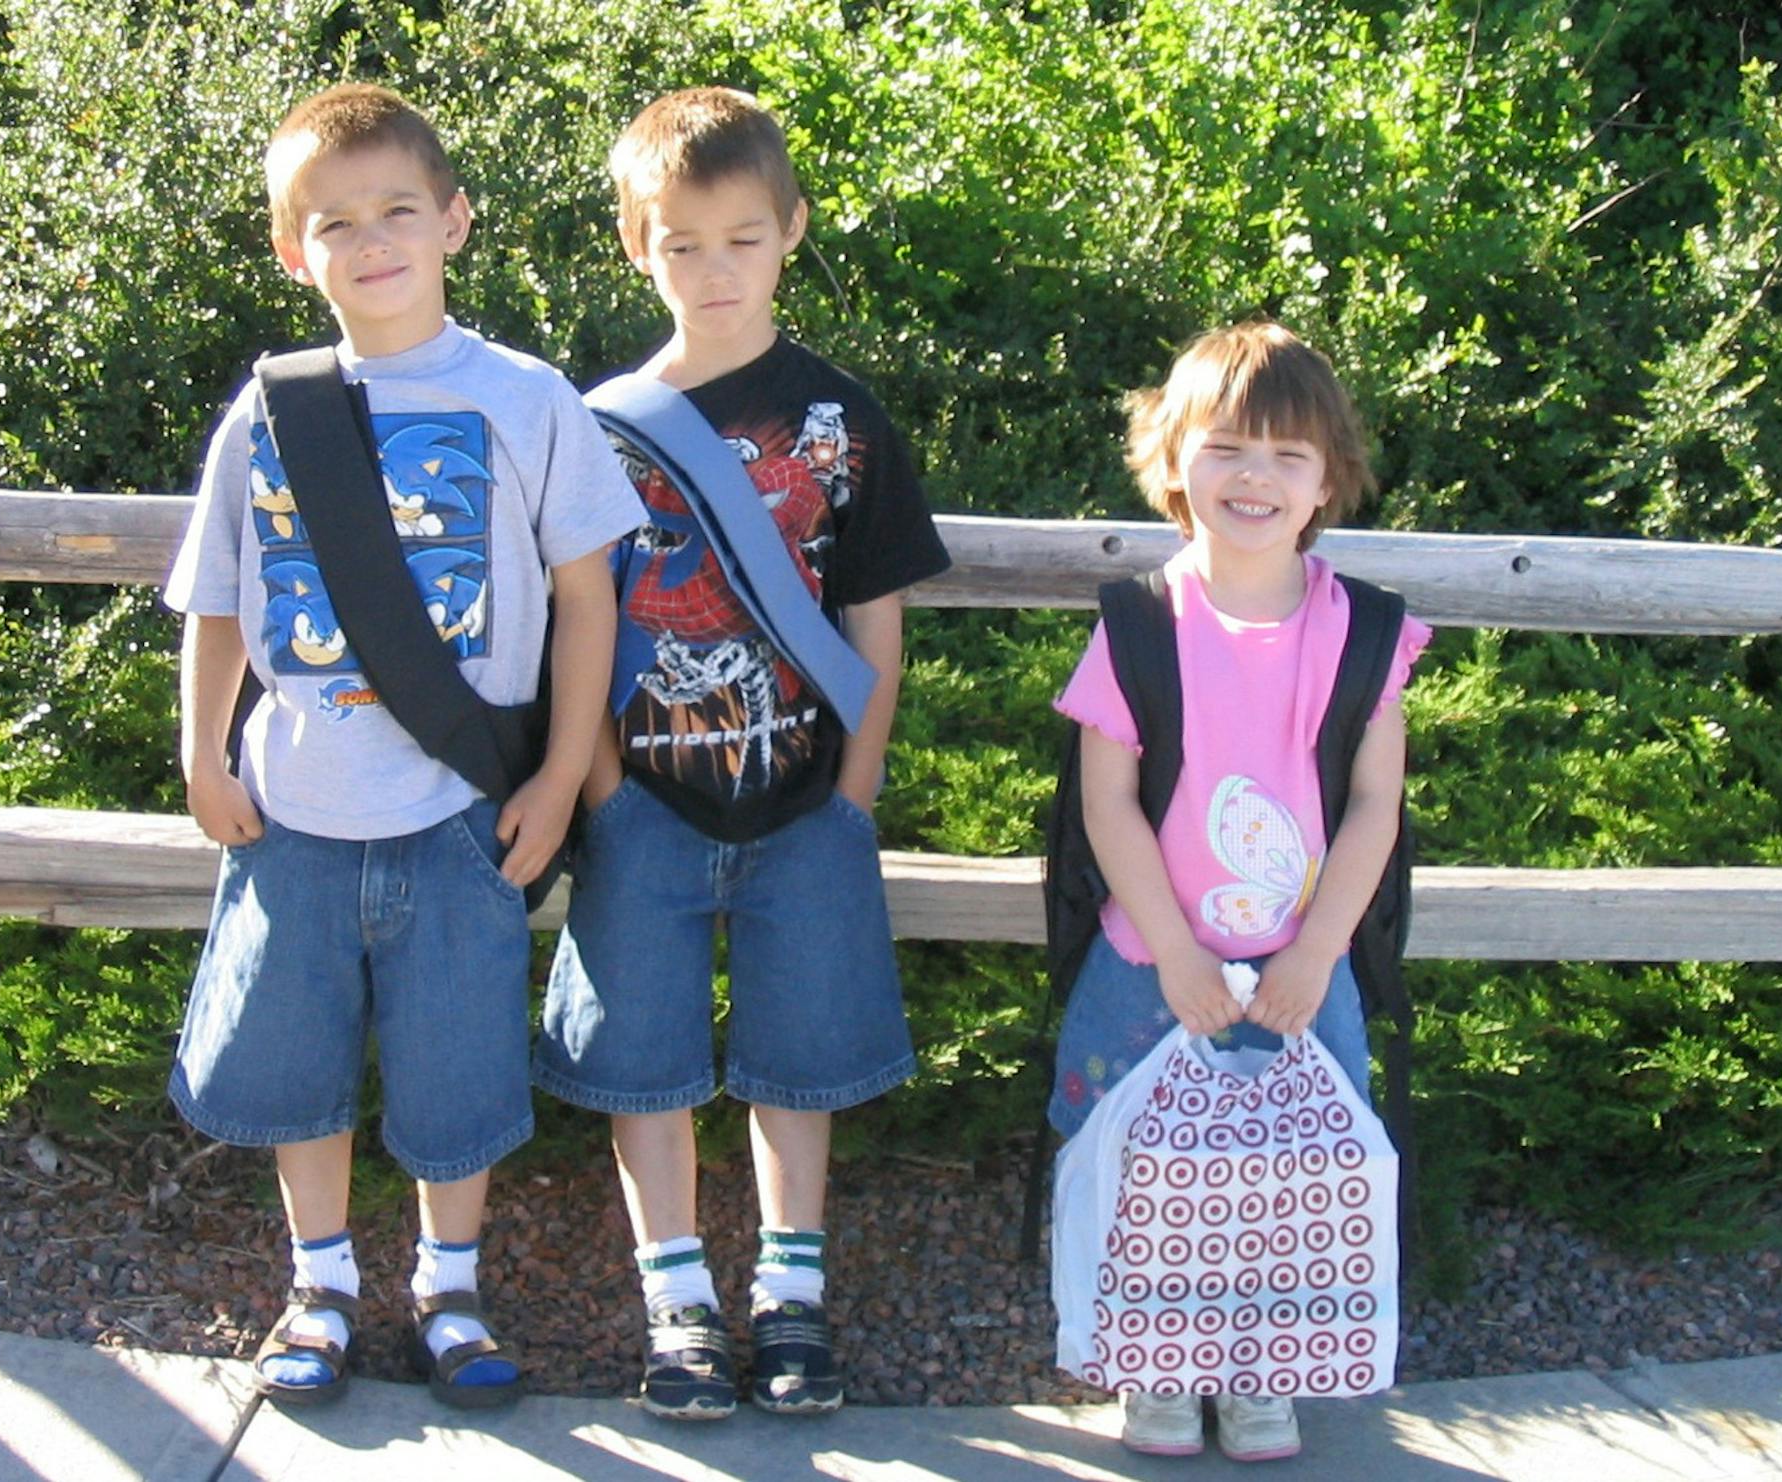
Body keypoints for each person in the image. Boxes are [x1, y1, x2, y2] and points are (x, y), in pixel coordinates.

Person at [161, 82, 641, 1410]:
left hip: (456, 814)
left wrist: (556, 775)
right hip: (294, 809)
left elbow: (589, 597)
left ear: (455, 221)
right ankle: (318, 1283)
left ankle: (448, 1283)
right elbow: (215, 599)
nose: (370, 242)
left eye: (397, 213)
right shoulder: (268, 413)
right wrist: (203, 750)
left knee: (453, 1063)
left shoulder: (528, 398)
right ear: (290, 249)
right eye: (335, 223)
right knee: (301, 1063)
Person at [532, 86, 951, 1420]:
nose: (713, 271)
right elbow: (577, 620)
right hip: (643, 799)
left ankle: (790, 1292)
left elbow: (874, 616)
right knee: (645, 1056)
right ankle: (678, 1299)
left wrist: (856, 794)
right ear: (633, 244)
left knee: (799, 1053)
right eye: (681, 243)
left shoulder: (844, 419)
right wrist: (600, 787)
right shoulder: (595, 425)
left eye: (743, 239)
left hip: (805, 801)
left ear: (793, 233)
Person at [1048, 321, 1430, 1461]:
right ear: (1173, 461)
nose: (1254, 477)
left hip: (1304, 966)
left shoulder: (1364, 632)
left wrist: (1316, 954)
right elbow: (1106, 802)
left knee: (1288, 1177)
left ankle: (1260, 1373)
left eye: (1287, 456)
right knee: (1146, 1171)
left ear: (1329, 482)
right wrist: (1171, 948)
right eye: (1224, 448)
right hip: (1144, 961)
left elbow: (1375, 804)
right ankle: (1153, 1370)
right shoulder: (1136, 626)